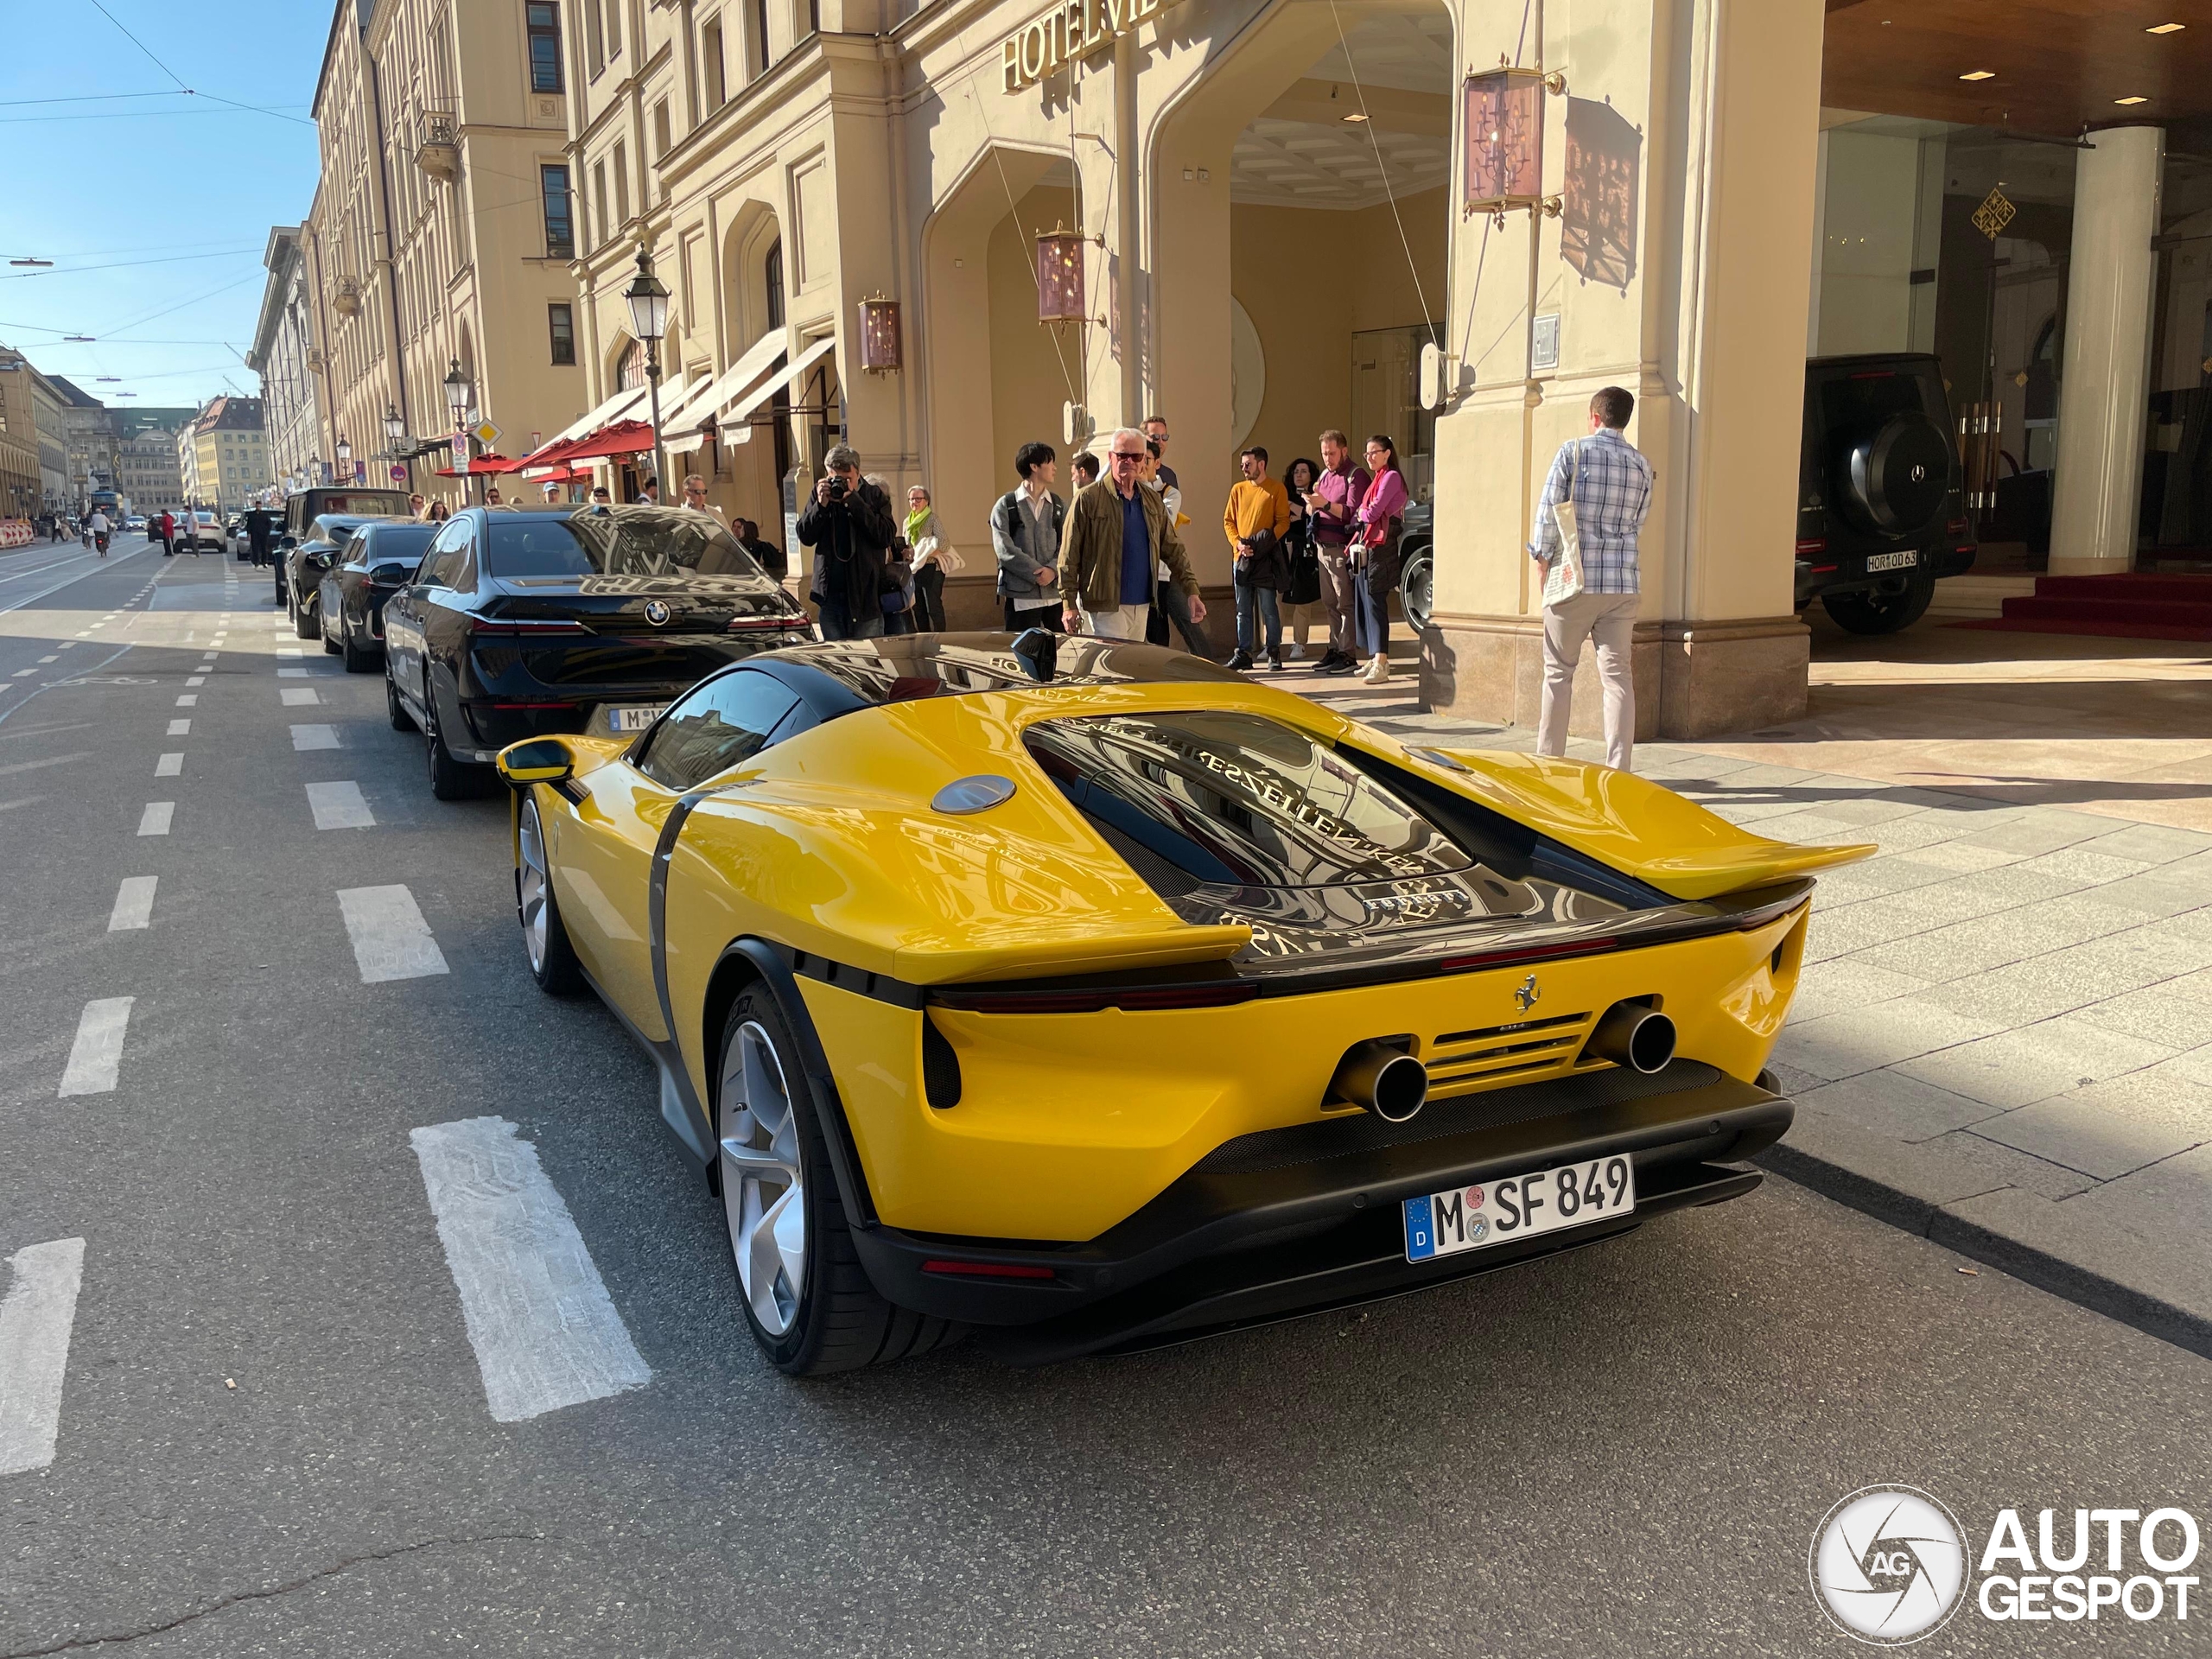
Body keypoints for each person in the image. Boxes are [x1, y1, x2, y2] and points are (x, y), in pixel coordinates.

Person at [1530, 385, 1654, 772]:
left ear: (1595, 416)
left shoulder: (1573, 451)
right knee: (1618, 678)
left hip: (1576, 580)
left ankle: (1550, 763)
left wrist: (1541, 555)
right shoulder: (1642, 465)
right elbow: (1638, 522)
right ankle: (1620, 769)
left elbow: (1549, 509)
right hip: (1622, 583)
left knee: (1557, 674)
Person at [1061, 428, 1205, 640]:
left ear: (1143, 462)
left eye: (1136, 456)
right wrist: (1068, 603)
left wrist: (1192, 590)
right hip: (1105, 604)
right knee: (1114, 666)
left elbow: (1173, 548)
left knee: (1132, 667)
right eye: (1122, 455)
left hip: (1143, 602)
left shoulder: (1152, 499)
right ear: (1111, 457)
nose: (1129, 461)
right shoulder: (1088, 498)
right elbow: (1069, 554)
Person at [796, 443, 897, 641]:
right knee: (837, 662)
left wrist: (854, 501)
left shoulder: (874, 496)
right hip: (831, 598)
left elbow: (885, 535)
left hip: (865, 597)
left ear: (858, 473)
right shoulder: (820, 496)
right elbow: (805, 536)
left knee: (868, 663)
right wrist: (821, 507)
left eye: (846, 478)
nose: (839, 484)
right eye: (834, 478)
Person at [1306, 429, 1369, 675]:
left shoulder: (1355, 475)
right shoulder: (1324, 475)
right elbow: (1319, 505)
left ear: (1344, 450)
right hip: (1322, 545)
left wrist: (1324, 504)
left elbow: (1352, 513)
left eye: (1332, 453)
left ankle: (1348, 653)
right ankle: (1334, 647)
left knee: (1345, 602)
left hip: (1340, 547)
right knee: (1329, 602)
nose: (1328, 459)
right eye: (1324, 454)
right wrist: (1312, 505)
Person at [1224, 446, 1290, 671]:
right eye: (1242, 465)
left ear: (1261, 464)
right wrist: (1238, 544)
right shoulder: (1238, 490)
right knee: (1243, 610)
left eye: (1248, 464)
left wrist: (1265, 542)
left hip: (1265, 557)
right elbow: (1228, 521)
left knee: (1268, 608)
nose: (1244, 468)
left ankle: (1273, 651)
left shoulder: (1276, 489)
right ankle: (1243, 652)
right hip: (1241, 557)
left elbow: (1283, 521)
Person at [1350, 435, 1408, 683]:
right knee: (1365, 600)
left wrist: (1364, 513)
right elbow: (1361, 513)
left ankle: (1382, 663)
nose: (1370, 457)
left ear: (1387, 453)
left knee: (1376, 602)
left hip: (1382, 545)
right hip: (1369, 544)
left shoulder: (1392, 477)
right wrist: (1363, 513)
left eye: (1374, 452)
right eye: (1367, 453)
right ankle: (1374, 657)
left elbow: (1371, 511)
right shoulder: (1377, 479)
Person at [991, 442, 1065, 634]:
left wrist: (1052, 569)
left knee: (1061, 651)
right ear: (1034, 466)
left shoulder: (1058, 505)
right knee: (1021, 654)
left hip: (1054, 595)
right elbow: (1004, 549)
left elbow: (1067, 544)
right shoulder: (1006, 505)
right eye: (1050, 463)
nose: (1054, 468)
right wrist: (1036, 572)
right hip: (1021, 596)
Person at [1279, 457, 1322, 659]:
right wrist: (1297, 512)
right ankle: (1273, 643)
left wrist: (1298, 511)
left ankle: (1299, 643)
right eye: (1296, 471)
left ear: (1311, 475)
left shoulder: (1316, 496)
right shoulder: (1283, 494)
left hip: (1304, 552)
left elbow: (1312, 519)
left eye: (1303, 471)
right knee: (1277, 598)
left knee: (1302, 599)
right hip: (1283, 549)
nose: (1298, 475)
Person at [906, 485, 961, 632]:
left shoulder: (932, 519)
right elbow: (909, 547)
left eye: (918, 498)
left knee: (933, 606)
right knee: (918, 608)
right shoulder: (908, 522)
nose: (914, 502)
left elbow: (944, 543)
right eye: (911, 499)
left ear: (927, 501)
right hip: (916, 570)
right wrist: (908, 553)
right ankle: (924, 639)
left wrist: (924, 552)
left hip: (933, 569)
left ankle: (941, 639)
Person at [734, 517, 786, 582]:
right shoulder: (760, 544)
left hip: (745, 575)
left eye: (741, 529)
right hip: (760, 574)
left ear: (745, 531)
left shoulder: (739, 544)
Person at [1141, 415, 1178, 493]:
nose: (1161, 442)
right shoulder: (1131, 470)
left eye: (1164, 437)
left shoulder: (1169, 475)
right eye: (1155, 437)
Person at [245, 501, 273, 569]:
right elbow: (248, 525)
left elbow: (269, 524)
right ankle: (256, 562)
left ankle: (265, 562)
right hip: (254, 534)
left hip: (263, 535)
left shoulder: (265, 515)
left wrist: (267, 532)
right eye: (257, 506)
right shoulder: (252, 515)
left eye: (259, 506)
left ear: (261, 506)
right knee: (255, 549)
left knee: (264, 548)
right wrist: (249, 534)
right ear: (255, 506)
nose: (258, 508)